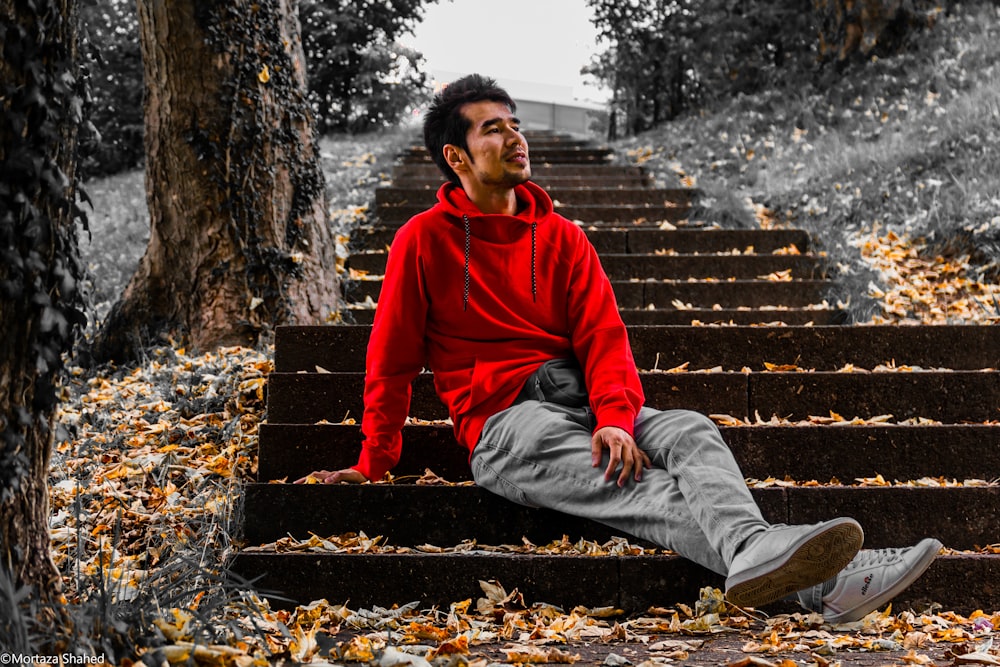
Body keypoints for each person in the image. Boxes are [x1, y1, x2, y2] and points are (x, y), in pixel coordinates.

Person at [297, 74, 941, 622]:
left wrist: (612, 416)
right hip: (507, 424)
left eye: (514, 123)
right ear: (457, 157)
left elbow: (605, 338)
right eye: (492, 128)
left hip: (585, 401)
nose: (514, 136)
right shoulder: (423, 240)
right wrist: (373, 460)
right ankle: (830, 585)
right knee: (646, 488)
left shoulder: (564, 238)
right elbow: (392, 355)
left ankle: (760, 554)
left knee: (688, 430)